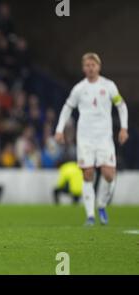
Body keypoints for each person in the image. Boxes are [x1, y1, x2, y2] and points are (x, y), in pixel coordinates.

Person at [55, 53, 128, 226]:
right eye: (87, 65)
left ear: (99, 66)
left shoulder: (108, 86)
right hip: (85, 138)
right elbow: (67, 107)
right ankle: (90, 215)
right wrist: (59, 130)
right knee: (87, 174)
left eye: (93, 65)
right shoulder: (79, 88)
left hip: (104, 138)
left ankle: (101, 205)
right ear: (83, 68)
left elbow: (121, 105)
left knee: (109, 174)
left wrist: (124, 128)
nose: (90, 68)